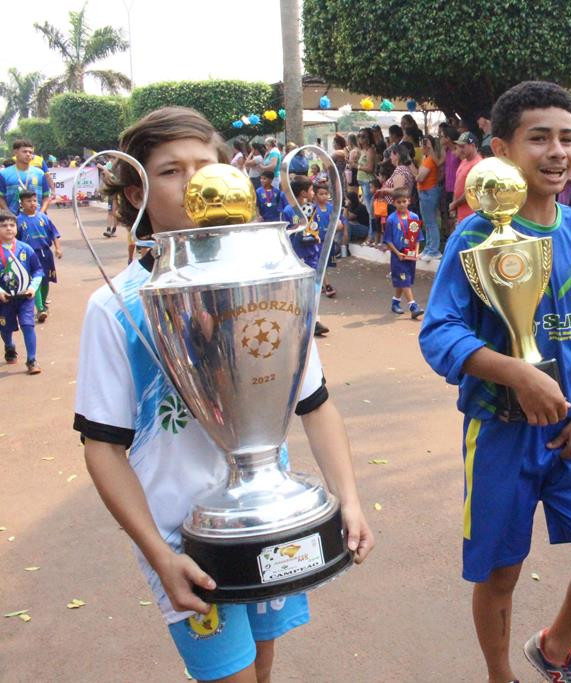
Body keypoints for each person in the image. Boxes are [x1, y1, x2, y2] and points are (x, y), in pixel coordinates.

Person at [74, 106, 373, 683]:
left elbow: (314, 404)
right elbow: (102, 447)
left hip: (270, 518)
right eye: (171, 171)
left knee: (262, 664)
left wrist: (350, 500)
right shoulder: (117, 306)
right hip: (183, 537)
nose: (194, 183)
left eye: (205, 165)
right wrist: (161, 556)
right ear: (136, 190)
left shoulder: (268, 281)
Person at [419, 81, 571, 683]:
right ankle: (500, 675)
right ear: (502, 150)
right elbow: (439, 333)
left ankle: (555, 648)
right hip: (500, 433)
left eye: (568, 137)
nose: (558, 151)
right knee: (500, 574)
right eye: (538, 138)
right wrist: (514, 372)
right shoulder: (475, 235)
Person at [283, 175, 332, 335]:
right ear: (304, 192)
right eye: (311, 190)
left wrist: (315, 236)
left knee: (312, 290)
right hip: (298, 256)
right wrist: (298, 230)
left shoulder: (313, 209)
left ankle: (313, 321)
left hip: (312, 254)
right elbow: (286, 233)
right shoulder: (289, 211)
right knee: (300, 291)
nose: (313, 193)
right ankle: (302, 321)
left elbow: (314, 228)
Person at [0, 209, 43, 374]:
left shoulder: (26, 249)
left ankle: (32, 360)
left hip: (25, 297)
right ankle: (9, 346)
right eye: (4, 225)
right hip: (4, 299)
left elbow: (38, 271)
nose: (9, 228)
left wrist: (33, 287)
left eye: (12, 225)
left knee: (28, 326)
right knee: (5, 328)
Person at [15, 191, 61, 322]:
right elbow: (15, 240)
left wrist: (58, 248)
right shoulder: (18, 220)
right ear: (22, 203)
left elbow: (54, 234)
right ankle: (40, 309)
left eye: (34, 200)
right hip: (29, 255)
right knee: (36, 280)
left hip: (45, 253)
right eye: (28, 201)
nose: (32, 203)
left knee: (46, 280)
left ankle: (43, 304)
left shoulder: (43, 217)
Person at [382, 189, 424, 319]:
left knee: (405, 280)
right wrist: (397, 253)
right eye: (398, 202)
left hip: (410, 255)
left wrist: (416, 252)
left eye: (404, 201)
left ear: (409, 201)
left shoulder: (414, 217)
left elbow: (417, 237)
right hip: (398, 256)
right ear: (394, 203)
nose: (401, 204)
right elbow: (388, 240)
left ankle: (395, 302)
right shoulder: (391, 219)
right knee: (404, 279)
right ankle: (413, 306)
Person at [0, 140, 52, 215]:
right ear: (15, 152)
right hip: (13, 220)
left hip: (36, 219)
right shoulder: (4, 174)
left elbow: (46, 197)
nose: (28, 154)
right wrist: (9, 214)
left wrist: (40, 214)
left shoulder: (40, 173)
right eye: (24, 151)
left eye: (30, 152)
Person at [416, 134, 444, 260]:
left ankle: (434, 249)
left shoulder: (431, 159)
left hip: (429, 192)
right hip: (424, 192)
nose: (422, 147)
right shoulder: (426, 158)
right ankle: (428, 247)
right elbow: (418, 175)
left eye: (424, 145)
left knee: (431, 222)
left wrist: (417, 176)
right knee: (427, 223)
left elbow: (420, 177)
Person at [449, 132, 482, 225]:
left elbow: (471, 191)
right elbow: (457, 186)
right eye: (459, 146)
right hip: (461, 214)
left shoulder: (478, 164)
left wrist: (454, 204)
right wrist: (454, 204)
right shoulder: (464, 161)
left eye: (463, 146)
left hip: (471, 215)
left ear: (473, 146)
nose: (460, 149)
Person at [312, 182, 347, 265]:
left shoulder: (332, 208)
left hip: (330, 242)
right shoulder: (312, 209)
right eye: (321, 194)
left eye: (326, 194)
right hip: (318, 242)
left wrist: (343, 229)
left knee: (328, 266)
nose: (324, 196)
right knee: (319, 265)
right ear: (315, 195)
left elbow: (342, 220)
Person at [355, 128, 378, 227]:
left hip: (368, 182)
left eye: (363, 136)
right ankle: (371, 235)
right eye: (359, 136)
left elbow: (370, 168)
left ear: (369, 138)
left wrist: (357, 166)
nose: (360, 138)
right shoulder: (362, 150)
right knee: (369, 210)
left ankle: (371, 236)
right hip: (363, 182)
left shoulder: (370, 150)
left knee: (371, 211)